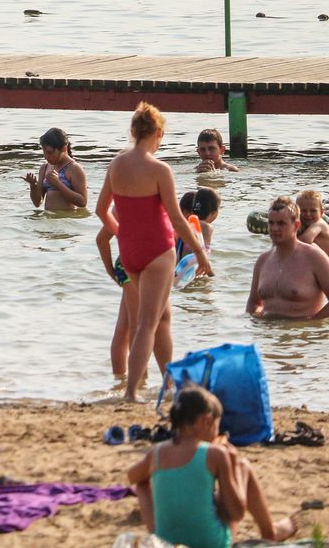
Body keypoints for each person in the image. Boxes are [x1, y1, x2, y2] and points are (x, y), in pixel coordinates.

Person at [96, 102, 210, 402]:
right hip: (159, 251)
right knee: (147, 324)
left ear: (133, 131)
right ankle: (132, 392)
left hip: (130, 252)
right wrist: (199, 251)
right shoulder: (160, 169)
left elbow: (100, 211)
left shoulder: (117, 164)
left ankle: (169, 385)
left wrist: (123, 234)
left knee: (162, 318)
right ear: (158, 133)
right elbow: (176, 218)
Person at [127, 384, 299, 546]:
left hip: (165, 543)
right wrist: (231, 460)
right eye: (217, 426)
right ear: (207, 421)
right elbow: (236, 513)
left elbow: (132, 476)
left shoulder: (156, 453)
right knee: (243, 466)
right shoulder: (215, 454)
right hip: (212, 543)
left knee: (142, 483)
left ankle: (158, 532)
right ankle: (270, 531)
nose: (217, 432)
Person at [97, 224, 172, 379]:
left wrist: (111, 271)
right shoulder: (153, 206)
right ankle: (139, 381)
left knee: (125, 325)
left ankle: (119, 379)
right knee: (136, 327)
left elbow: (101, 239)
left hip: (124, 262)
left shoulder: (120, 206)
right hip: (143, 264)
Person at [246, 196, 329, 320]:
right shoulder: (263, 260)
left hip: (302, 336)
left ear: (296, 225)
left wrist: (311, 324)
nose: (274, 229)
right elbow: (253, 304)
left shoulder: (315, 257)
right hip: (268, 336)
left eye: (281, 223)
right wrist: (256, 323)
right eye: (271, 223)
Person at [23, 127, 88, 211]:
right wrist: (33, 186)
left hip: (67, 219)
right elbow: (37, 203)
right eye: (44, 152)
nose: (46, 156)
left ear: (64, 148)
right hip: (49, 220)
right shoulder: (45, 168)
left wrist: (58, 184)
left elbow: (82, 202)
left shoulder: (74, 168)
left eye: (50, 152)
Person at [295, 189, 329, 256]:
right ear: (296, 211)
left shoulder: (319, 224)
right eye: (303, 211)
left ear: (322, 212)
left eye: (313, 211)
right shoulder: (301, 224)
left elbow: (304, 241)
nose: (308, 214)